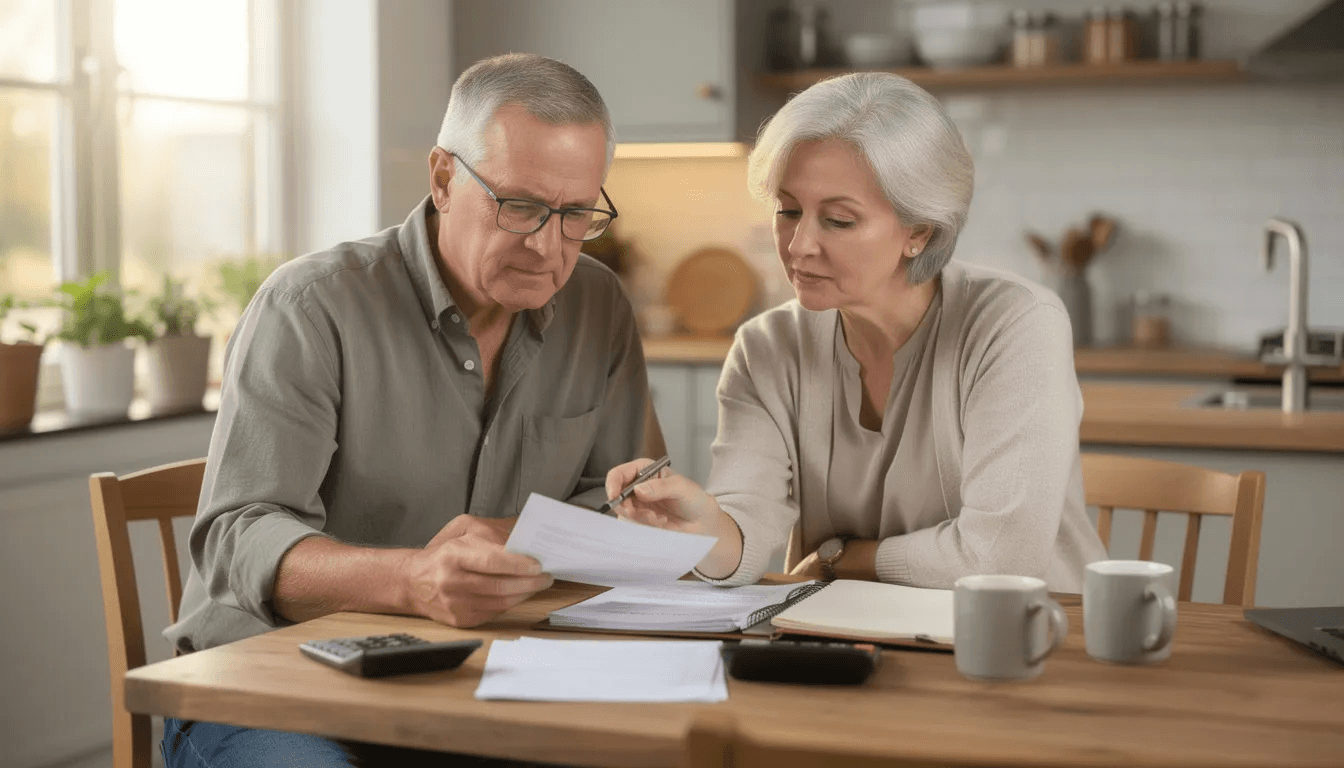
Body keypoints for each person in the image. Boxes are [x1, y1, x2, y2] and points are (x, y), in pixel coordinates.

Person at [161, 53, 650, 767]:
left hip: (479, 679)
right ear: (445, 179)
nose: (549, 247)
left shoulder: (597, 304)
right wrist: (413, 579)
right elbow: (238, 536)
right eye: (520, 206)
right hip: (274, 684)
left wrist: (524, 537)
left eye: (577, 215)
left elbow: (625, 506)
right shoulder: (311, 306)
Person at [606, 72, 1107, 592]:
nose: (798, 245)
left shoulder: (1015, 325)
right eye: (788, 210)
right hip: (848, 643)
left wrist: (843, 559)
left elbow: (1000, 558)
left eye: (838, 220)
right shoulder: (766, 349)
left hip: (1030, 642)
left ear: (920, 231)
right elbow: (745, 530)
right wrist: (702, 525)